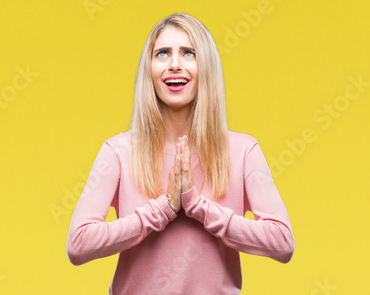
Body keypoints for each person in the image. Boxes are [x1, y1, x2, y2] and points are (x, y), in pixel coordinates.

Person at [66, 12, 294, 294]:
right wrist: (164, 208)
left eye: (189, 53)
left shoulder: (243, 151)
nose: (174, 64)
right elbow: (78, 245)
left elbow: (283, 242)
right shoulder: (118, 152)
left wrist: (198, 207)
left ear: (206, 66)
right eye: (162, 53)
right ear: (149, 68)